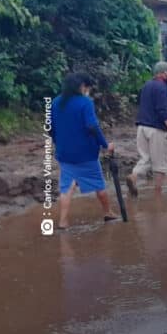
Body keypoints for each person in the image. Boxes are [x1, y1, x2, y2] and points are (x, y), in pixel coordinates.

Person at [49, 73, 118, 229]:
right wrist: (105, 145)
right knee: (99, 184)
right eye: (87, 88)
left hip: (64, 153)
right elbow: (92, 126)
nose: (88, 91)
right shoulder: (85, 102)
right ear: (82, 87)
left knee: (66, 186)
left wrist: (58, 143)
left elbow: (50, 128)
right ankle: (108, 212)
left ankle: (63, 221)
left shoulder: (55, 102)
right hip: (86, 153)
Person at [126, 62, 167, 197]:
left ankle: (134, 176)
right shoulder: (161, 87)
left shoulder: (146, 85)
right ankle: (158, 195)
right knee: (160, 164)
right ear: (163, 73)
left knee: (145, 158)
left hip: (142, 127)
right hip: (157, 130)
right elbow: (162, 110)